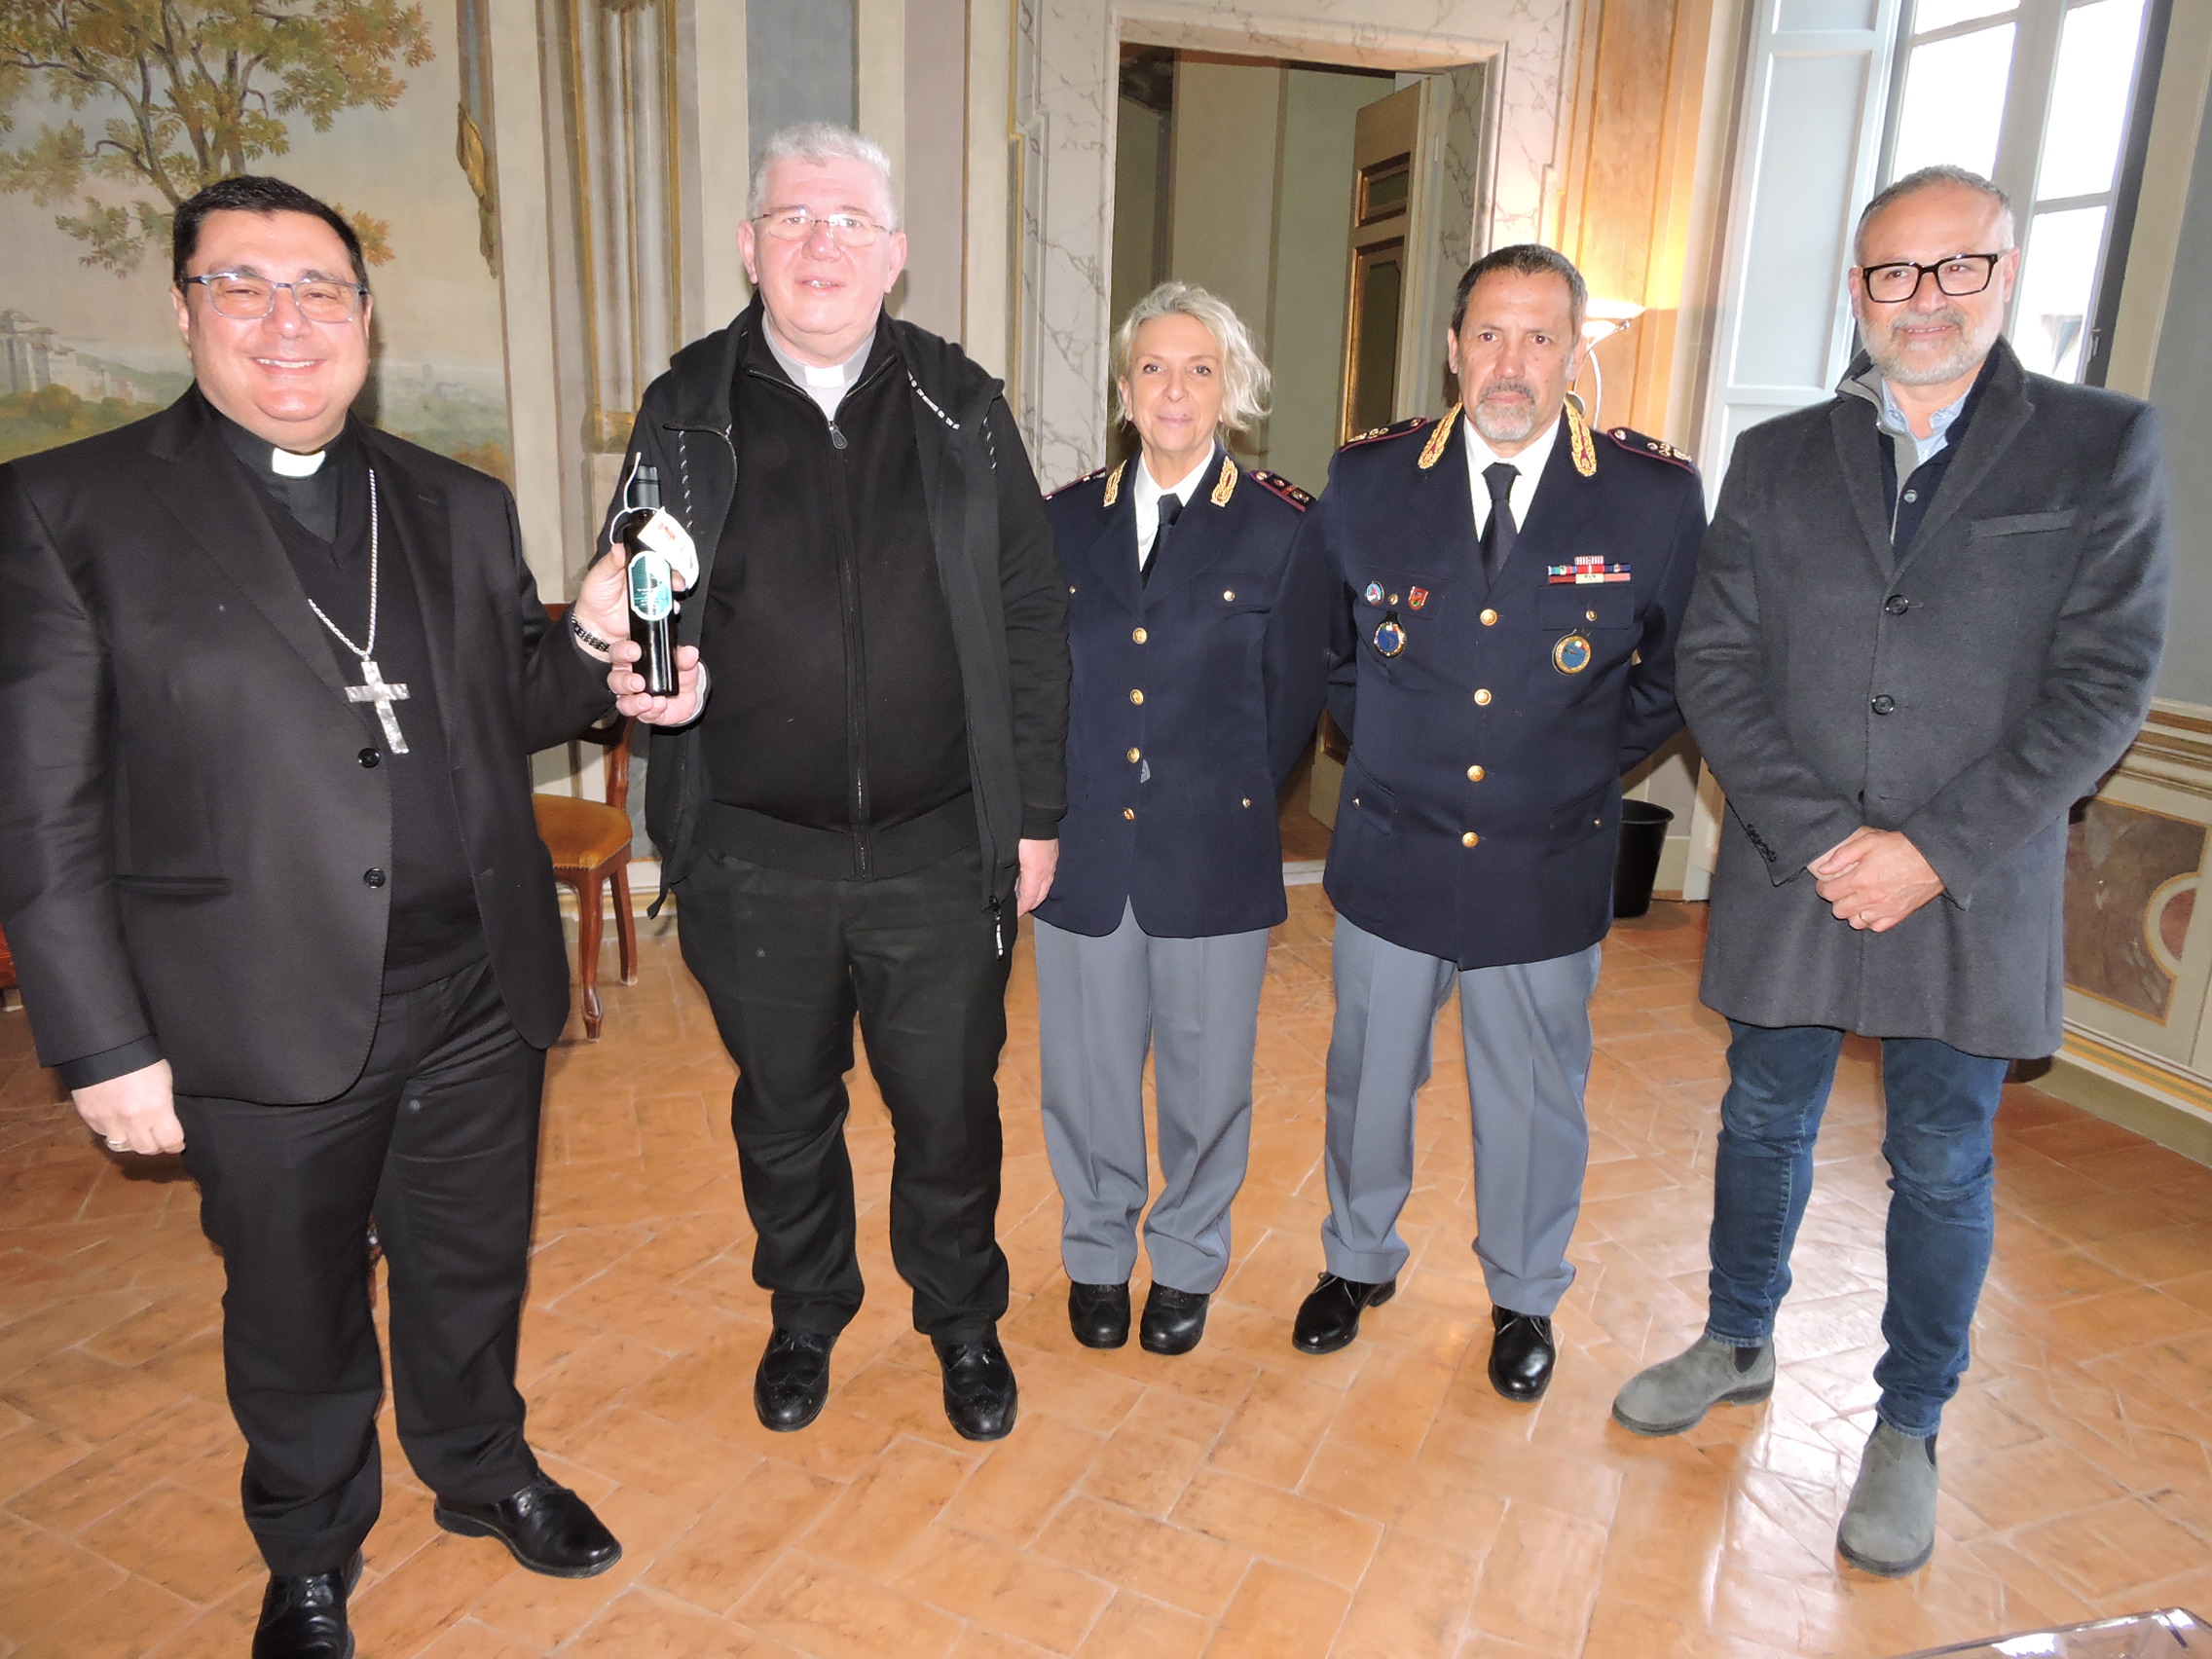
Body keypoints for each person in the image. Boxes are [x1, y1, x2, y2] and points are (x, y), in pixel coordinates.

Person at [0, 176, 643, 1659]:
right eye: (244, 286)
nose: (286, 320)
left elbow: (506, 705)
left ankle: (480, 1469)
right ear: (184, 310)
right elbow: (38, 808)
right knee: (293, 1308)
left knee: (474, 1262)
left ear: (365, 318)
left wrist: (597, 645)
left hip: (480, 986)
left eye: (320, 290)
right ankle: (308, 1545)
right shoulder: (70, 510)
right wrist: (99, 1042)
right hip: (255, 1005)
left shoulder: (454, 501)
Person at [1612, 166, 2170, 1577]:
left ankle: (1910, 1424)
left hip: (1967, 884)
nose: (1919, 301)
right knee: (1761, 1121)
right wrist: (1818, 833)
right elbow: (1717, 665)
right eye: (1888, 275)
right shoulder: (1780, 454)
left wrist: (1930, 849)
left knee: (1939, 1160)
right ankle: (1738, 1340)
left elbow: (2104, 685)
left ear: (2005, 273)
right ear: (1854, 291)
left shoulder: (2101, 447)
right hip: (1799, 869)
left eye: (1952, 269)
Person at [599, 123, 1067, 1444]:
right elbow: (628, 589)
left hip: (937, 847)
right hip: (753, 852)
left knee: (948, 1112)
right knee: (785, 1113)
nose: (820, 243)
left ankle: (962, 1317)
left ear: (894, 257)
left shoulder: (960, 403)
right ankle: (805, 1308)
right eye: (794, 218)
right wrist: (639, 673)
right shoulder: (683, 406)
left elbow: (1033, 618)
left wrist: (1035, 815)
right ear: (749, 246)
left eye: (850, 221)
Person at [1293, 245, 1706, 1402]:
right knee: (1367, 1080)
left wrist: (1571, 765)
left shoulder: (1652, 495)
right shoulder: (1370, 480)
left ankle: (1524, 1293)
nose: (1510, 363)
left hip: (1544, 860)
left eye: (1537, 337)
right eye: (1487, 335)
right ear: (1451, 348)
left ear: (1577, 352)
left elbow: (1678, 670)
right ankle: (1356, 1261)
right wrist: (1387, 750)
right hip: (1392, 852)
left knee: (1532, 1097)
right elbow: (1328, 649)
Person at [1034, 282, 1330, 1355]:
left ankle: (1190, 1257)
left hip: (1213, 852)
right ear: (1125, 389)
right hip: (1087, 856)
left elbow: (1292, 698)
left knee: (1207, 1087)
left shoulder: (1285, 530)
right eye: (1154, 367)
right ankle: (1099, 1254)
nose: (1175, 387)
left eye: (1198, 368)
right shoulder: (1064, 522)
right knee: (1086, 1078)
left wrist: (1221, 794)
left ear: (1231, 392)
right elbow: (1039, 685)